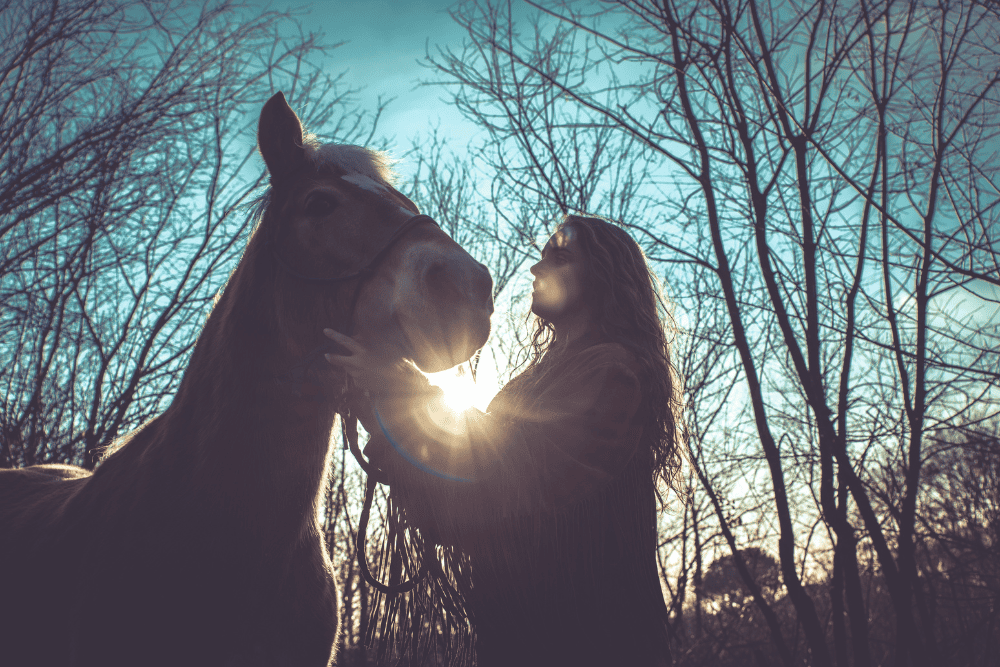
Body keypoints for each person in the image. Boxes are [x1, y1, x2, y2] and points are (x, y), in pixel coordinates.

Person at [326, 214, 681, 667]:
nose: (535, 269)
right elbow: (468, 495)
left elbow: (524, 478)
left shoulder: (615, 370)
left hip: (589, 639)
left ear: (603, 278)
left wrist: (403, 388)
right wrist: (377, 404)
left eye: (560, 257)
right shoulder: (532, 385)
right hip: (526, 634)